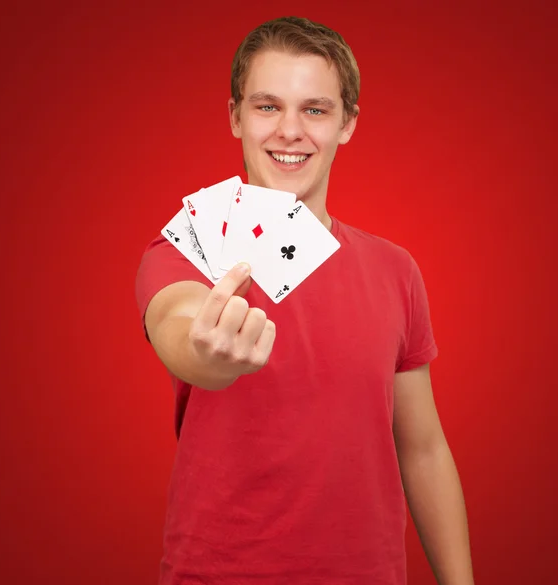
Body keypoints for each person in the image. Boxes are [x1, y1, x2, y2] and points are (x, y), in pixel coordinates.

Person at [135, 16, 475, 585]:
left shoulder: (396, 270)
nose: (290, 130)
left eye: (315, 109)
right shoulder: (188, 251)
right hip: (218, 574)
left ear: (347, 124)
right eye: (267, 106)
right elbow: (179, 324)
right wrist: (207, 356)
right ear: (235, 117)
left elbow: (423, 449)